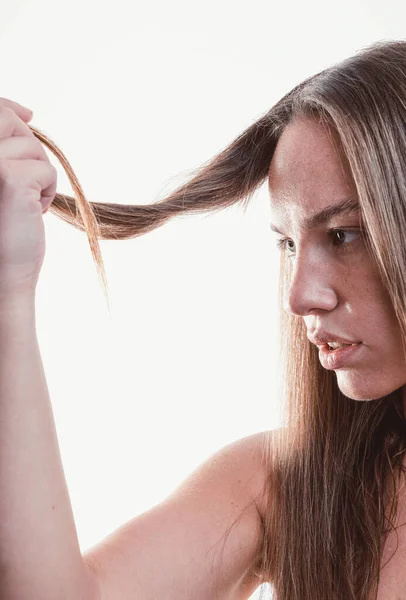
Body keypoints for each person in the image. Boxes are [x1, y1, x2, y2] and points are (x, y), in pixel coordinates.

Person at [1, 38, 405, 600]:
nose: (299, 297)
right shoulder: (285, 487)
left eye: (344, 234)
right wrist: (9, 290)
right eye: (288, 243)